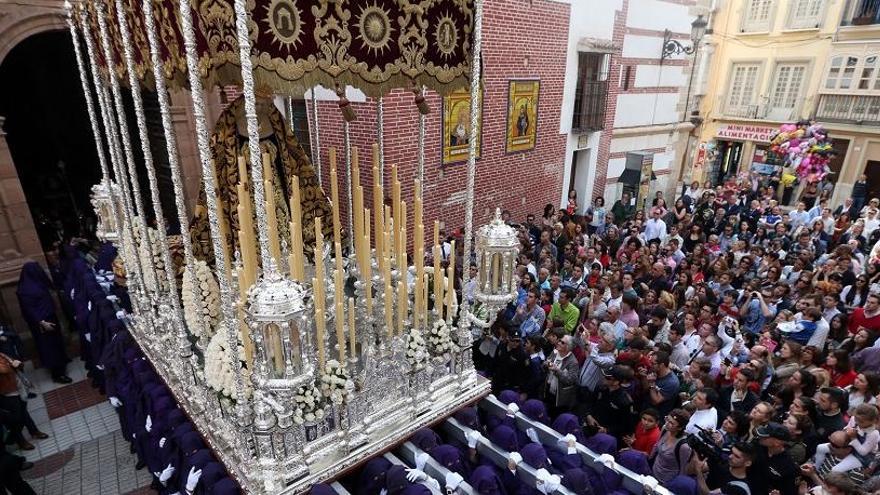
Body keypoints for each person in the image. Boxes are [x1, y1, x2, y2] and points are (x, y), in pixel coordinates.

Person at [16, 262, 70, 383]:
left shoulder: (36, 282)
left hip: (49, 316)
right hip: (42, 322)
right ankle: (57, 374)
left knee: (56, 342)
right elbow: (28, 309)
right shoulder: (24, 290)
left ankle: (62, 361)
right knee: (49, 347)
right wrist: (41, 322)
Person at [813, 403, 879, 473]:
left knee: (836, 470)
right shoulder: (854, 419)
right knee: (820, 447)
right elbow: (846, 428)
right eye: (856, 419)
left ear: (873, 421)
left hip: (861, 456)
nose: (857, 422)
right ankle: (816, 470)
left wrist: (853, 438)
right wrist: (846, 431)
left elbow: (863, 452)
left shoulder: (873, 434)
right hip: (848, 446)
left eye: (861, 422)